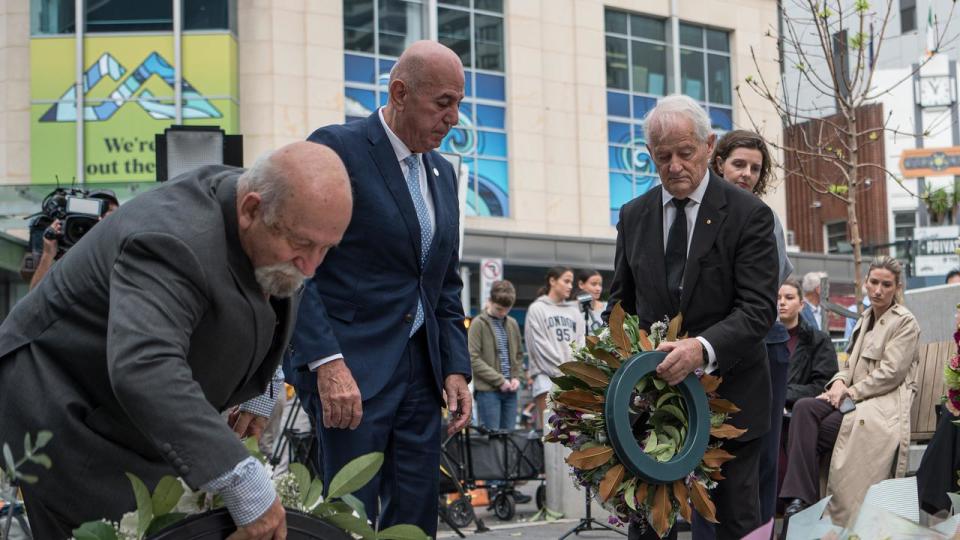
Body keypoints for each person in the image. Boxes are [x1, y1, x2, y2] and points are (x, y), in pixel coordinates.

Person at [0, 142, 353, 539]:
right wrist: (240, 477)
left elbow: (272, 289)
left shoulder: (276, 220)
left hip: (131, 413)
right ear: (251, 209)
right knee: (120, 530)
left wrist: (263, 382)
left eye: (326, 249)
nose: (311, 265)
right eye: (302, 245)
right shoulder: (171, 240)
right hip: (65, 403)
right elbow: (146, 366)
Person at [284, 40, 472, 537]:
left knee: (415, 514)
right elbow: (297, 266)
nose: (454, 117)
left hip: (420, 372)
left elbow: (442, 282)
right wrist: (326, 363)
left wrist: (455, 367)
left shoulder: (443, 174)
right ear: (400, 92)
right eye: (444, 103)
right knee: (349, 516)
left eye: (459, 104)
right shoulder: (337, 148)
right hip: (352, 370)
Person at [607, 94, 779, 540]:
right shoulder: (633, 216)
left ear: (709, 146)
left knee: (731, 524)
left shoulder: (750, 216)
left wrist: (700, 349)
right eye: (663, 156)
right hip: (653, 403)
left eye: (685, 153)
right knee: (649, 525)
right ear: (650, 155)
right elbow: (619, 308)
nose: (675, 165)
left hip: (733, 399)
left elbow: (758, 309)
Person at [780, 256, 920, 526]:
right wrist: (839, 383)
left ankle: (810, 510)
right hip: (853, 399)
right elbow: (849, 365)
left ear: (897, 287)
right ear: (866, 283)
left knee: (810, 433)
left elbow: (890, 374)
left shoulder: (904, 322)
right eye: (874, 282)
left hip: (880, 405)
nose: (879, 290)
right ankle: (799, 501)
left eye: (886, 284)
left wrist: (849, 392)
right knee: (803, 407)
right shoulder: (865, 319)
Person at [710, 129, 795, 528]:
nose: (746, 174)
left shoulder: (765, 219)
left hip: (766, 343)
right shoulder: (698, 212)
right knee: (706, 460)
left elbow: (770, 282)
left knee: (759, 459)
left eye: (755, 168)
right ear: (718, 163)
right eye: (738, 164)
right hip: (708, 351)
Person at [525, 266, 584, 430]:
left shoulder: (575, 312)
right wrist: (562, 373)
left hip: (571, 380)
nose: (570, 286)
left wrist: (574, 374)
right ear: (552, 281)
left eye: (571, 282)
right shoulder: (537, 309)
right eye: (566, 281)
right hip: (546, 378)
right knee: (551, 432)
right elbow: (539, 347)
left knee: (572, 434)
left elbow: (581, 345)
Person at [28, 190, 121, 291]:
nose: (103, 217)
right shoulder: (67, 251)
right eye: (99, 211)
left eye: (110, 211)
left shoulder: (121, 250)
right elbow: (34, 294)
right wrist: (48, 254)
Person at [470, 280, 524, 431]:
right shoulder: (478, 323)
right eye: (499, 309)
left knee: (510, 438)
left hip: (511, 392)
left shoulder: (512, 323)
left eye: (506, 310)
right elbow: (473, 358)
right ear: (489, 301)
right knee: (492, 438)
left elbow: (519, 355)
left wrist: (516, 377)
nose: (502, 313)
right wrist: (500, 380)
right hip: (488, 392)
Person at [778, 278, 838, 410]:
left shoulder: (819, 340)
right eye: (778, 298)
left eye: (789, 297)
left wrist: (783, 393)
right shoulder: (761, 339)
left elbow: (823, 384)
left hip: (798, 412)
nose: (782, 302)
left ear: (801, 305)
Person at [574, 268, 606, 334]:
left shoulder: (607, 307)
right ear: (581, 284)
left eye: (600, 285)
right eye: (594, 284)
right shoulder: (570, 308)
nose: (598, 288)